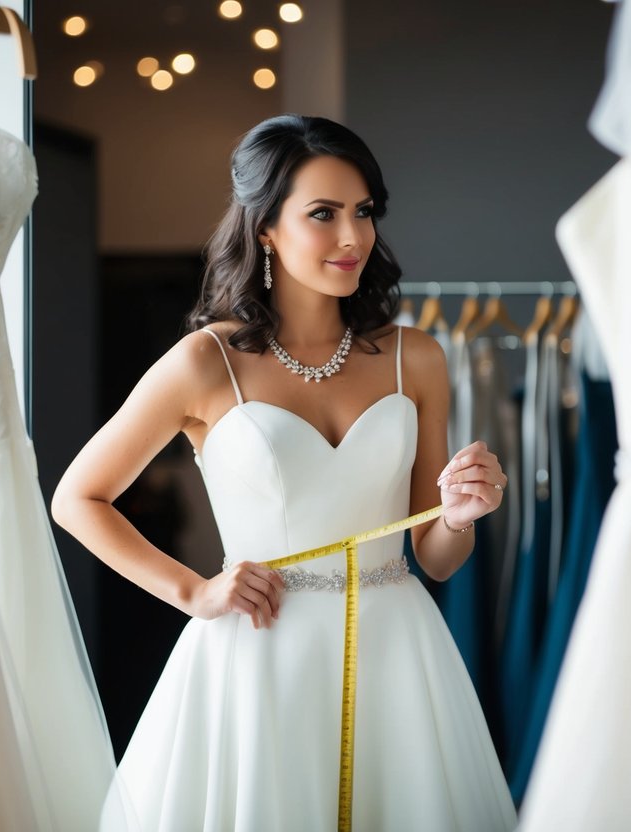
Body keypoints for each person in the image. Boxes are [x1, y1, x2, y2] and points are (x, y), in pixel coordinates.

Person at [52, 114, 517, 831]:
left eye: (363, 212)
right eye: (323, 214)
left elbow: (438, 559)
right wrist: (193, 591)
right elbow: (77, 498)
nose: (352, 236)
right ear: (264, 227)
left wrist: (458, 516)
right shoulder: (206, 363)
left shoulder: (415, 356)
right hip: (257, 654)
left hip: (397, 651)